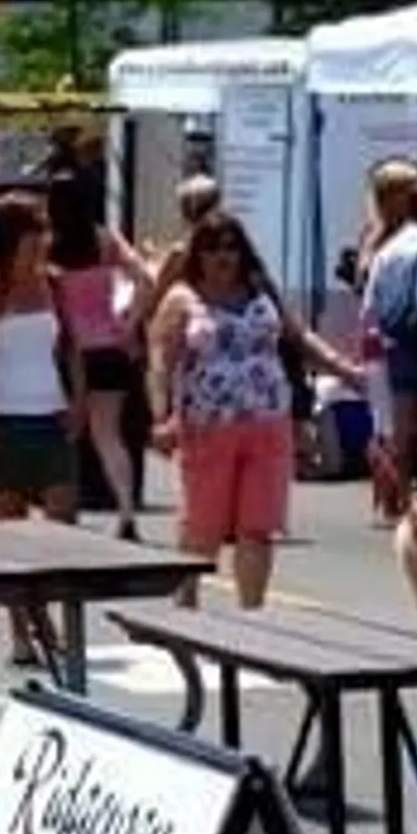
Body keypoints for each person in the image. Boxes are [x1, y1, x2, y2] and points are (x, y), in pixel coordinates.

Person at [151, 208, 358, 612]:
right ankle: (185, 612)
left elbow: (298, 337)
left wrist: (345, 370)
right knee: (202, 530)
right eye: (212, 249)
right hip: (209, 425)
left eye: (231, 248)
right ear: (199, 255)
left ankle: (252, 619)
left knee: (257, 528)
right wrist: (162, 417)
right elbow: (161, 360)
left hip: (267, 422)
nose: (223, 257)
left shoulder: (259, 288)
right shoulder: (183, 298)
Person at [0, 193, 83, 669]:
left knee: (61, 529)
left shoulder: (54, 283)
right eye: (35, 236)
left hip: (49, 414)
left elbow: (71, 346)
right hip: (3, 417)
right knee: (11, 536)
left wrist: (77, 398)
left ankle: (47, 618)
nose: (42, 245)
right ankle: (25, 632)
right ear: (12, 240)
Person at [46, 177, 151, 537]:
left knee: (66, 434)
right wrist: (130, 323)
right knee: (109, 436)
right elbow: (144, 279)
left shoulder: (47, 246)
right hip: (109, 347)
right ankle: (125, 511)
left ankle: (66, 508)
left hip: (66, 349)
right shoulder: (105, 240)